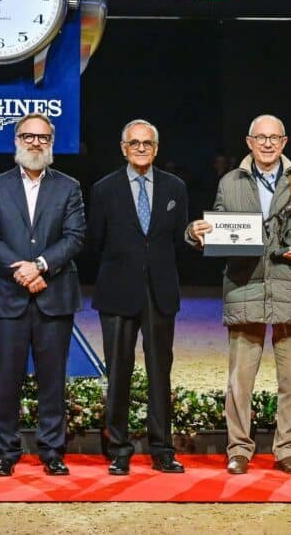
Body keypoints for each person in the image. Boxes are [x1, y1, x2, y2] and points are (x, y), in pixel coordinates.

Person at [187, 114, 291, 475]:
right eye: (260, 138)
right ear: (249, 142)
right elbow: (217, 225)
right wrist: (197, 233)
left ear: (284, 142)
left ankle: (287, 451)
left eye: (274, 138)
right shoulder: (230, 182)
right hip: (245, 286)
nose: (267, 144)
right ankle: (238, 449)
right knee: (239, 380)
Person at [0, 113, 85, 477]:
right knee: (7, 377)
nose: (35, 143)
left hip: (54, 297)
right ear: (16, 141)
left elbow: (74, 237)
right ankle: (6, 451)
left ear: (52, 142)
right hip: (8, 297)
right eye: (28, 136)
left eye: (42, 137)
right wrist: (22, 271)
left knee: (52, 379)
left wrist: (39, 265)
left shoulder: (69, 187)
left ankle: (52, 451)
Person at [88, 120, 189, 475]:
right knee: (119, 373)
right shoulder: (104, 189)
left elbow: (180, 242)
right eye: (135, 143)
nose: (142, 148)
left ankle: (162, 448)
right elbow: (94, 242)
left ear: (157, 149)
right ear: (123, 148)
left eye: (148, 143)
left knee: (160, 372)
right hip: (117, 292)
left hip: (160, 293)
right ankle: (119, 447)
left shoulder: (175, 187)